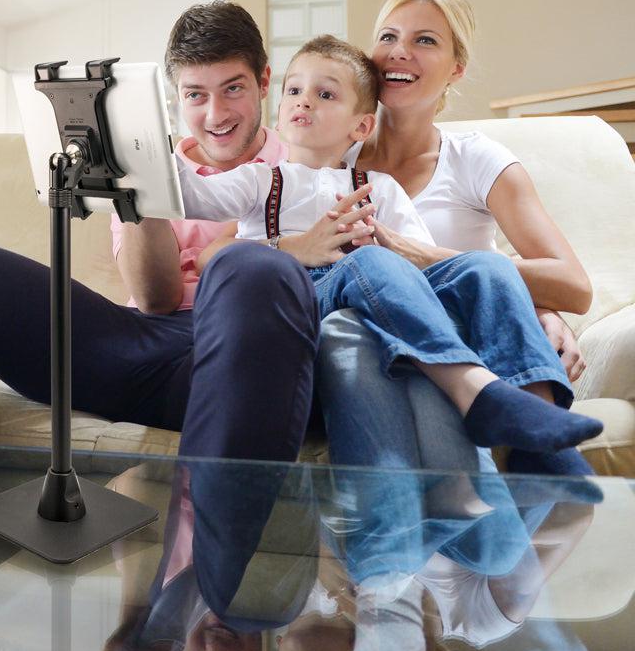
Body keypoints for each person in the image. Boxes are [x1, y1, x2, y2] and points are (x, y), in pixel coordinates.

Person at [0, 0, 319, 466]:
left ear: (264, 83)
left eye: (233, 89)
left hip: (236, 352)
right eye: (195, 95)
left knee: (251, 290)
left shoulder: (306, 156)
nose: (215, 114)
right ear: (175, 97)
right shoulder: (152, 161)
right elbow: (156, 299)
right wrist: (142, 181)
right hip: (138, 341)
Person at [180, 35, 601, 456]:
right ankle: (475, 388)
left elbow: (421, 265)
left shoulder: (379, 187)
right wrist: (140, 149)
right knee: (370, 261)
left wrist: (525, 298)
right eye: (294, 90)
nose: (303, 101)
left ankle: (542, 429)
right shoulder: (259, 181)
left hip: (371, 295)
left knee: (487, 267)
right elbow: (194, 196)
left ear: (361, 126)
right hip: (300, 300)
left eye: (324, 94)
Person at [308, 0, 596, 478]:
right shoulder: (330, 151)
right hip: (362, 337)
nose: (399, 51)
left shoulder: (475, 159)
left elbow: (575, 285)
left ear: (456, 68)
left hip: (459, 336)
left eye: (425, 40)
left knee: (484, 272)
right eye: (388, 36)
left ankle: (539, 447)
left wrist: (535, 306)